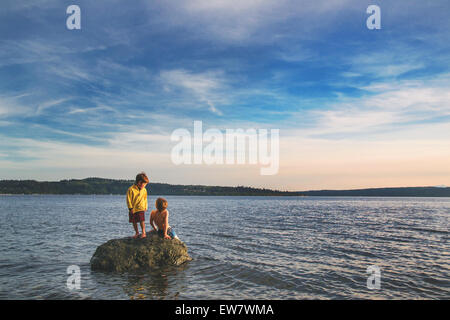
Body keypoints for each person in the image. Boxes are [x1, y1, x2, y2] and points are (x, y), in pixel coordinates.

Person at [126, 172, 149, 238]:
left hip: (141, 208)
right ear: (138, 182)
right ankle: (137, 232)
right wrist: (130, 208)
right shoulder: (131, 189)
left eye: (145, 184)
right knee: (134, 221)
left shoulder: (144, 190)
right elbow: (128, 199)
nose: (143, 185)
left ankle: (143, 232)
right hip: (133, 208)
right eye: (142, 183)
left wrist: (145, 206)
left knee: (142, 220)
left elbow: (145, 199)